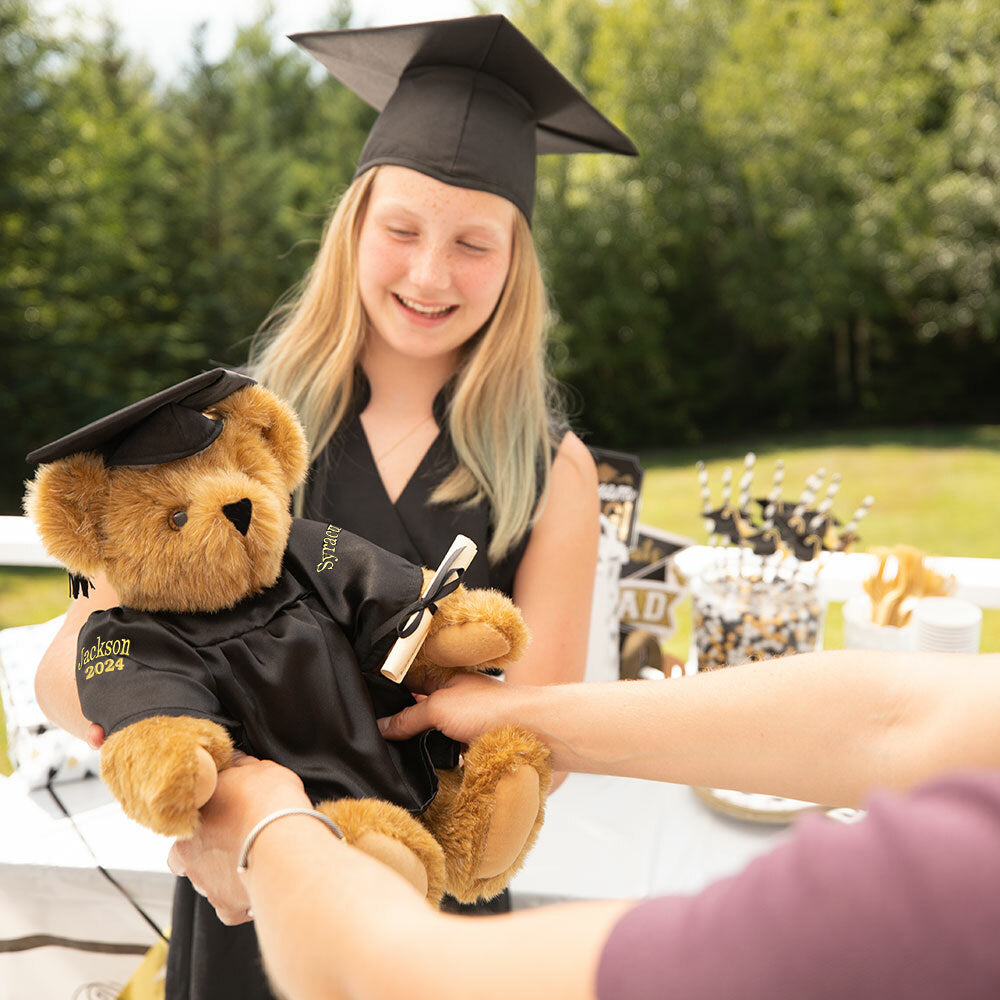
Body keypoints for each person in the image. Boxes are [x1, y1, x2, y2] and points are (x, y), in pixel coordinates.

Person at [31, 14, 637, 1000]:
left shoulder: (550, 469)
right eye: (400, 228)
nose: (430, 273)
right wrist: (214, 778)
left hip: (431, 906)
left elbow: (541, 735)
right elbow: (71, 667)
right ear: (353, 223)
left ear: (516, 263)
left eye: (473, 243)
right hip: (248, 876)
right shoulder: (230, 432)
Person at [170, 649, 1000, 1000]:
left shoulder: (935, 899)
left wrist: (263, 828)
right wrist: (514, 712)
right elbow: (893, 720)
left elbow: (397, 975)